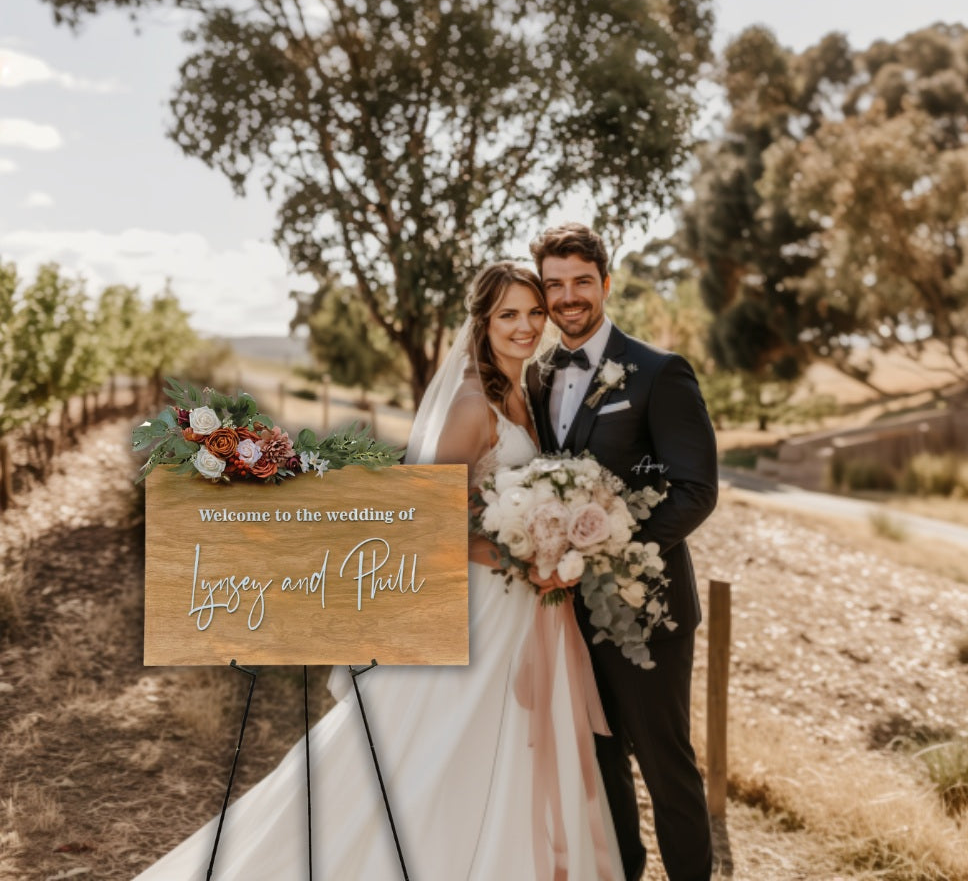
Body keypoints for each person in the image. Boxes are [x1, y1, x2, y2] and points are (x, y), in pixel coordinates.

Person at [132, 262, 624, 881]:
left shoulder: (522, 393)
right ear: (482, 322)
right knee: (425, 753)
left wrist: (551, 542)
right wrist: (521, 555)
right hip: (482, 605)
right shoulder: (474, 404)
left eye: (533, 313)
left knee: (501, 747)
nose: (526, 327)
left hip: (519, 606)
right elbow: (434, 519)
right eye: (508, 315)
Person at [526, 223, 718, 881]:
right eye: (555, 284)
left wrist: (610, 554)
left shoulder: (659, 373)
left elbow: (695, 491)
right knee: (601, 767)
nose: (569, 296)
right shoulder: (536, 375)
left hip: (647, 611)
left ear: (605, 283)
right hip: (566, 616)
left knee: (666, 769)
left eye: (582, 281)